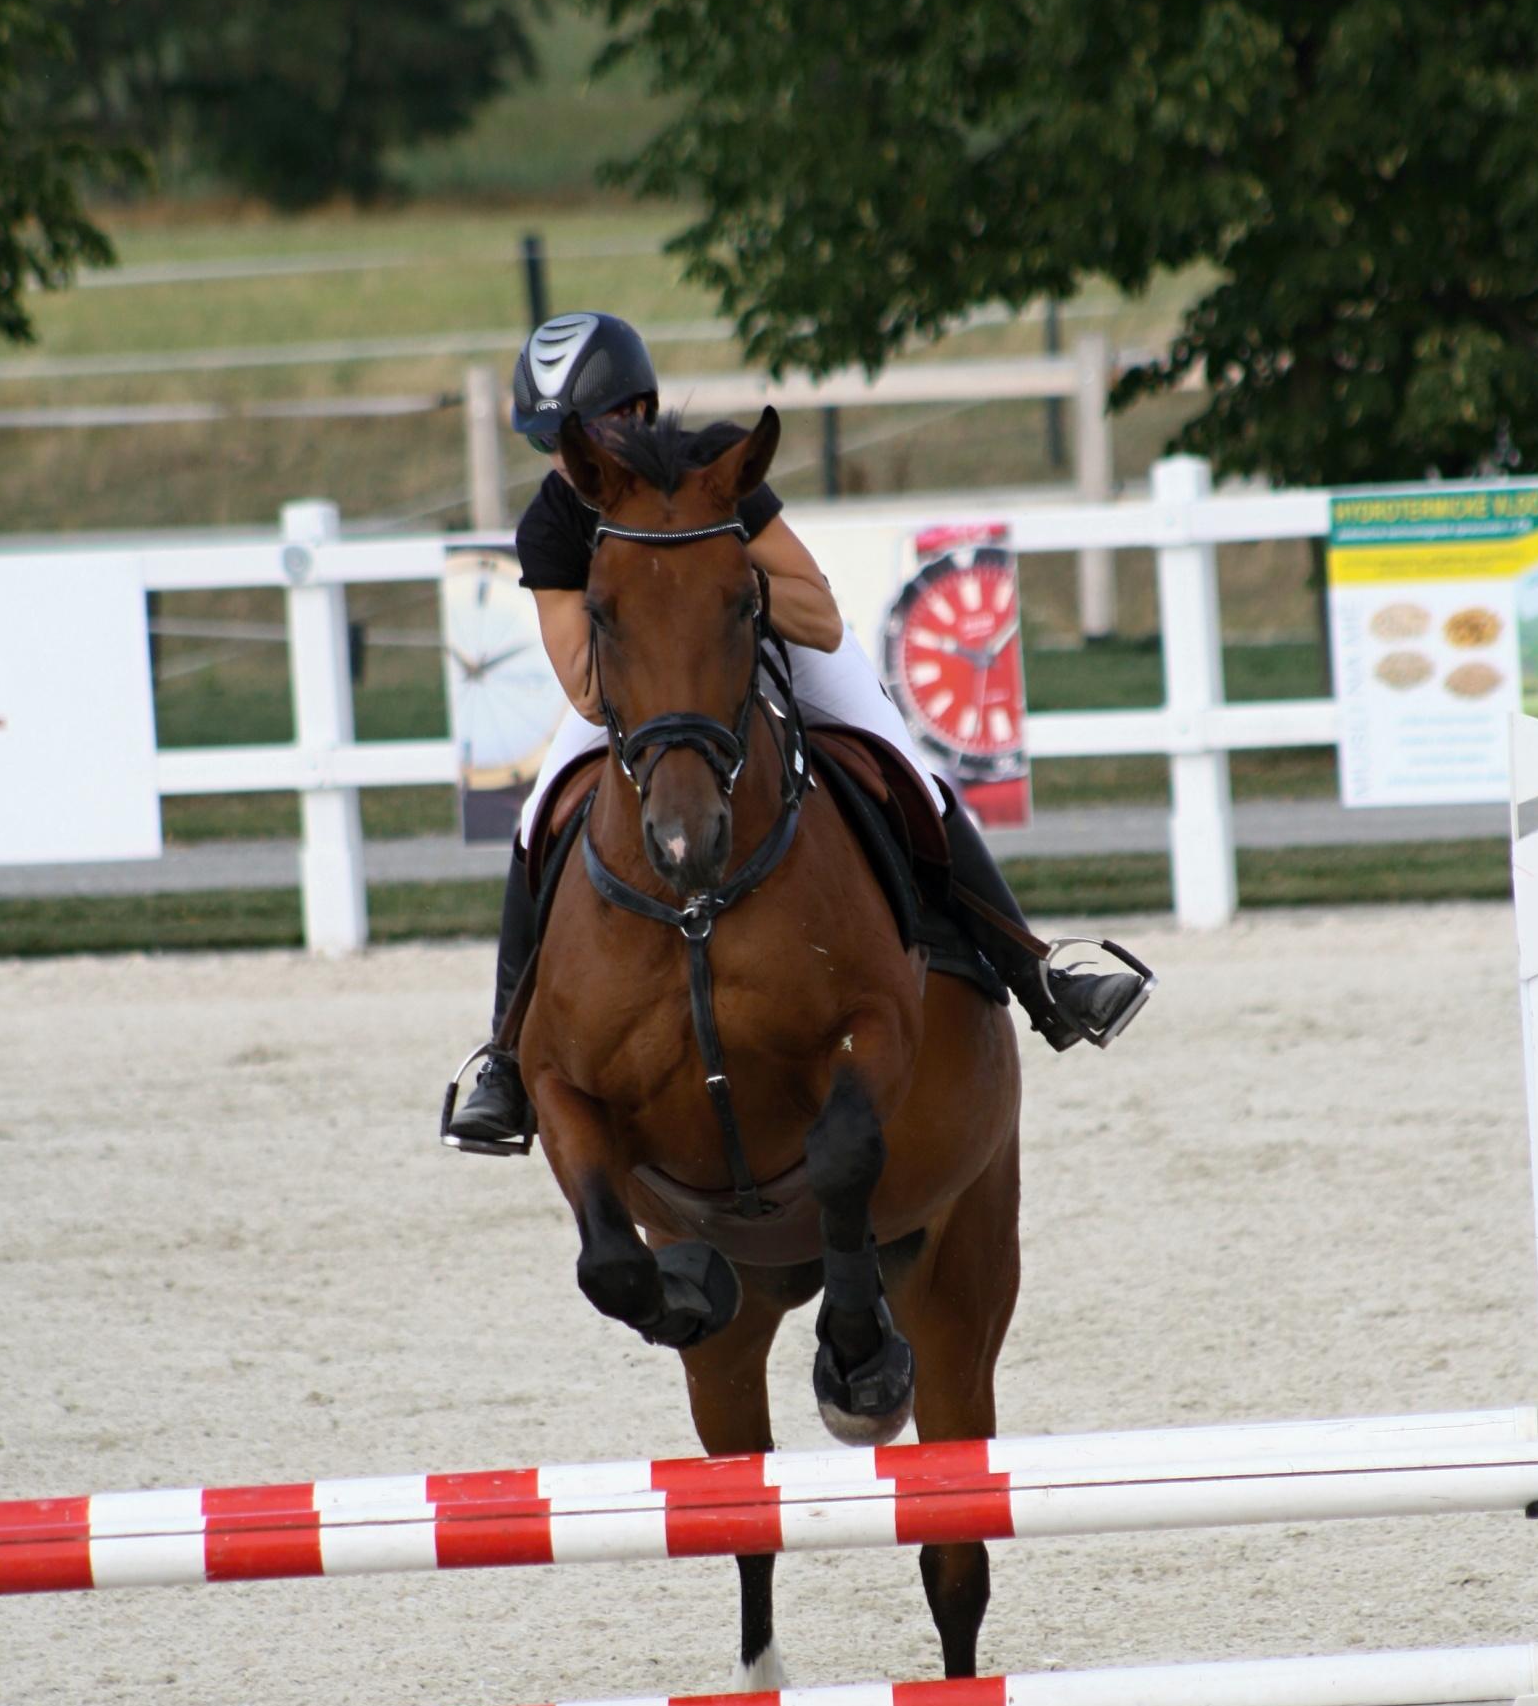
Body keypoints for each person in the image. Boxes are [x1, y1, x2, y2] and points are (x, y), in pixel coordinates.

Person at [446, 311, 1151, 1151]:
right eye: (546, 443)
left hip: (777, 644)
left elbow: (816, 615)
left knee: (909, 774)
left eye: (576, 434)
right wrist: (657, 614)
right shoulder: (554, 521)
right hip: (645, 678)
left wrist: (718, 591)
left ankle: (1040, 978)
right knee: (537, 822)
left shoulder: (717, 466)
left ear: (636, 411)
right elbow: (591, 693)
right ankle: (504, 1064)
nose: (564, 461)